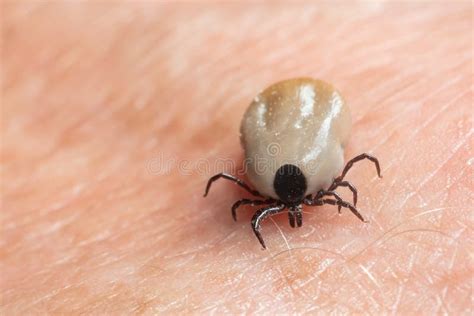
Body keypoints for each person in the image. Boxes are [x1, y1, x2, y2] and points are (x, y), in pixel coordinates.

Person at [2, 2, 471, 314]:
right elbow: (346, 171)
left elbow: (245, 194)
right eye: (290, 209)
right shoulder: (316, 188)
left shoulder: (268, 192)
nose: (294, 215)